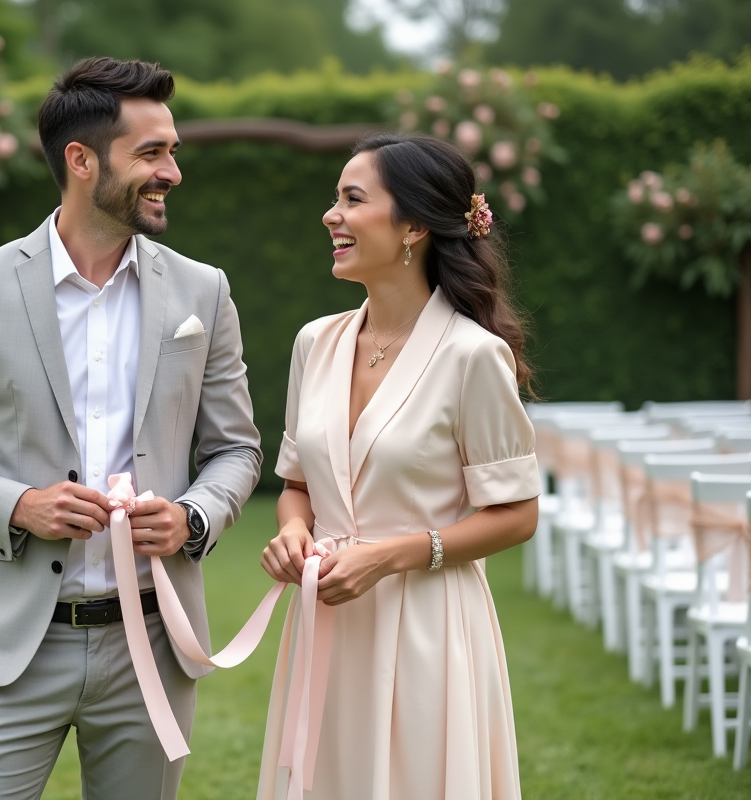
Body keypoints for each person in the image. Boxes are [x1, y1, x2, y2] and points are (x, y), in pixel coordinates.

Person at [0, 57, 262, 800]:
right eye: (151, 153)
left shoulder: (204, 291)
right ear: (81, 159)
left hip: (152, 641)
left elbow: (236, 449)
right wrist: (18, 505)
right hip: (11, 641)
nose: (172, 172)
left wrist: (192, 516)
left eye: (173, 152)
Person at [257, 133, 541, 799]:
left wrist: (388, 557)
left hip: (427, 627)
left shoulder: (473, 356)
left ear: (413, 226)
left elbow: (517, 514)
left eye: (352, 199)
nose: (331, 215)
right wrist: (293, 532)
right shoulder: (314, 343)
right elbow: (296, 485)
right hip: (326, 620)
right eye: (335, 199)